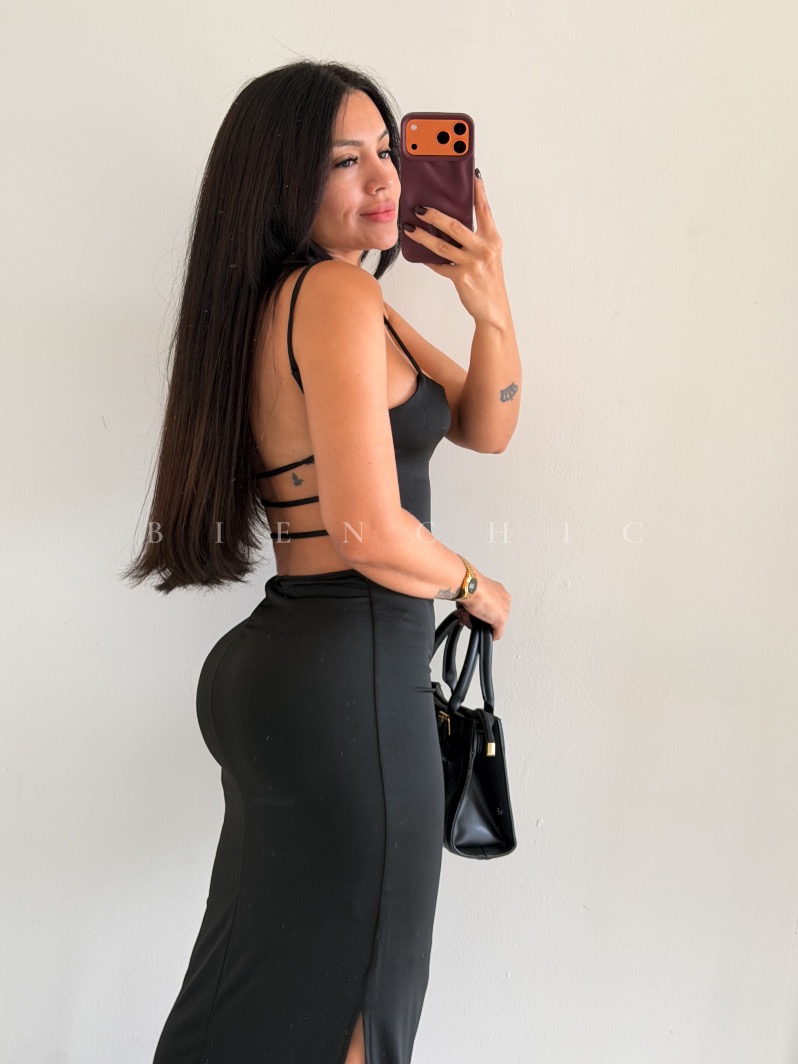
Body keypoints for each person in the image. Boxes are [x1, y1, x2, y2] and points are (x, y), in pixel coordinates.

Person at [121, 59, 519, 1064]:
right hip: (353, 673)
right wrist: (475, 585)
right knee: (360, 996)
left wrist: (490, 302)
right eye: (346, 161)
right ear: (282, 181)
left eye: (388, 150)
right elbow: (366, 530)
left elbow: (487, 422)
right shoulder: (335, 293)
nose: (384, 177)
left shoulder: (308, 300)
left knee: (248, 993)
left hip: (289, 670)